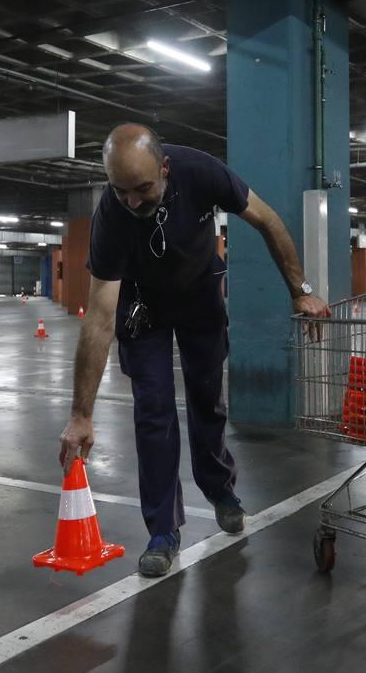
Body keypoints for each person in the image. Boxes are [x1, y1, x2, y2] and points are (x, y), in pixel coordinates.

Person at [58, 123, 331, 578]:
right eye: (120, 190)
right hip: (141, 306)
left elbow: (267, 220)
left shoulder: (202, 173)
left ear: (164, 169)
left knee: (207, 397)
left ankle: (220, 488)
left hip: (200, 290)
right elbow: (101, 317)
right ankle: (163, 530)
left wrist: (299, 289)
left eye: (143, 188)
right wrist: (81, 413)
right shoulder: (111, 217)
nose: (131, 201)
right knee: (153, 412)